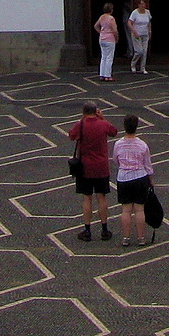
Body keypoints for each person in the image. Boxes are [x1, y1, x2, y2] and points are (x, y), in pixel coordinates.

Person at [66, 101, 117, 241]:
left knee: (87, 198)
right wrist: (103, 118)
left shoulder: (81, 124)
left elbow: (71, 135)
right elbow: (113, 132)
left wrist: (82, 120)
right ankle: (104, 229)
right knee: (101, 197)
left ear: (83, 112)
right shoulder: (103, 124)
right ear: (96, 111)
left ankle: (87, 230)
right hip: (101, 167)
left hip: (85, 167)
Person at [112, 114, 155, 247]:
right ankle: (141, 238)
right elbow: (148, 165)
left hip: (123, 178)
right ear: (136, 126)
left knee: (126, 210)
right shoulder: (142, 145)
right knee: (139, 210)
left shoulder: (118, 144)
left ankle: (126, 237)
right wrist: (151, 180)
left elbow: (115, 160)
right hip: (140, 177)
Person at [126, 0, 152, 75]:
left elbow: (149, 23)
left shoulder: (147, 12)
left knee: (144, 51)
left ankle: (143, 68)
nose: (143, 5)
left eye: (144, 4)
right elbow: (129, 23)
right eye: (142, 4)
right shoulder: (135, 13)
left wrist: (150, 32)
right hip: (137, 35)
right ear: (139, 5)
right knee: (139, 51)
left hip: (145, 34)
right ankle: (133, 64)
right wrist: (134, 31)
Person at [94, 3, 119, 82]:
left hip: (102, 38)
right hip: (110, 38)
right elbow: (114, 30)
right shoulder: (111, 18)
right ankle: (108, 75)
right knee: (109, 58)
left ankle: (102, 74)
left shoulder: (102, 17)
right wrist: (117, 38)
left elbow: (96, 26)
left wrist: (101, 32)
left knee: (103, 57)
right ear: (111, 10)